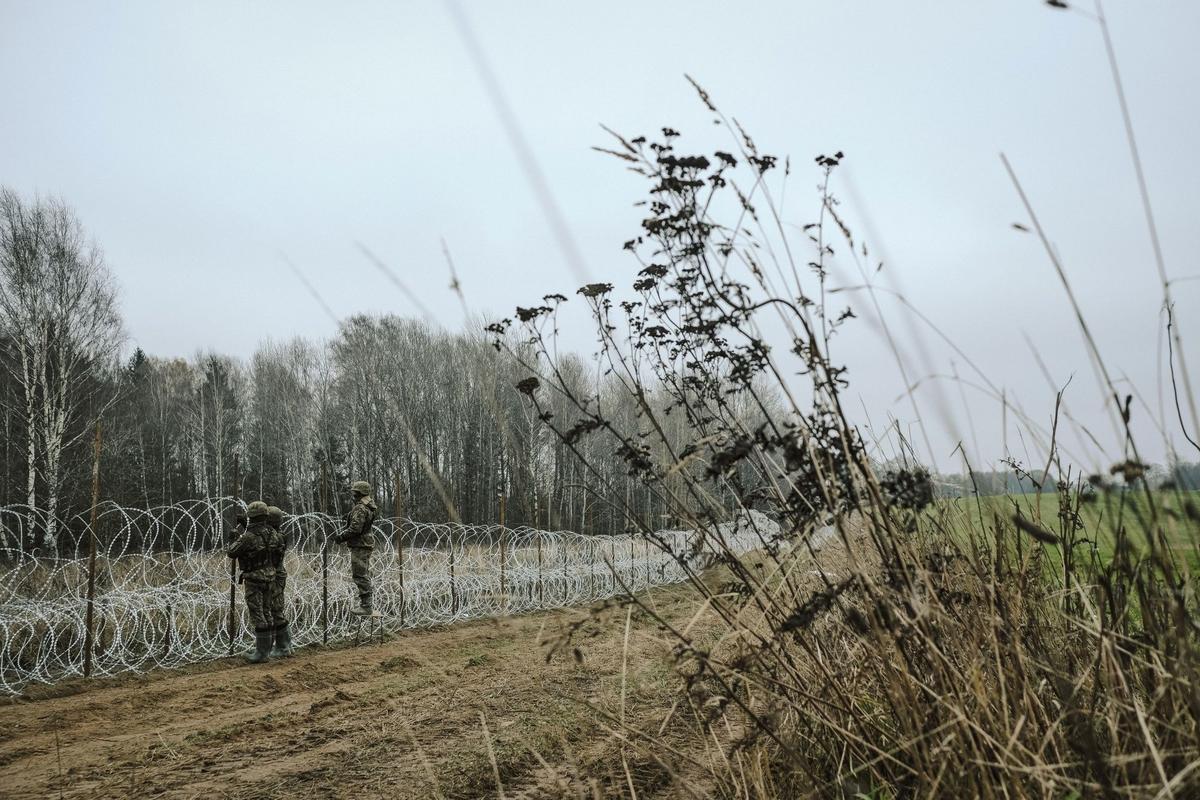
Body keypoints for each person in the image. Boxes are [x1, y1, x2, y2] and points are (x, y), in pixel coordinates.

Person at [227, 500, 276, 663]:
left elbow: (232, 552)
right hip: (270, 576)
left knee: (257, 614)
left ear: (251, 517)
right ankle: (267, 650)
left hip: (254, 578)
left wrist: (233, 538)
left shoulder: (248, 537)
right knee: (267, 611)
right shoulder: (272, 532)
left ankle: (261, 654)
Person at [336, 480, 377, 615]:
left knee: (360, 575)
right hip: (364, 543)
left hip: (360, 544)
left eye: (355, 493)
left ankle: (366, 606)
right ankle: (366, 604)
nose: (353, 495)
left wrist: (341, 537)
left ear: (360, 493)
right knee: (362, 574)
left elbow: (355, 529)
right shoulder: (368, 506)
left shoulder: (360, 508)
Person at [266, 505, 293, 657]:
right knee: (275, 609)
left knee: (276, 609)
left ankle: (283, 647)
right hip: (276, 574)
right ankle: (286, 645)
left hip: (276, 575)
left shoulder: (276, 536)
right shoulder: (278, 534)